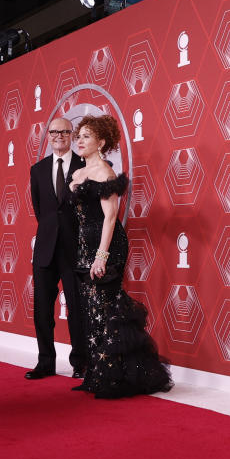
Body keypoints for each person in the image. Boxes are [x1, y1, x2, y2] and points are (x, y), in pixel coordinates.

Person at [67, 115, 171, 398]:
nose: (80, 140)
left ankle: (116, 377)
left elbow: (111, 217)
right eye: (79, 135)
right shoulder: (77, 174)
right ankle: (95, 374)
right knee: (90, 311)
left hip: (107, 245)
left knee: (105, 307)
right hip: (84, 245)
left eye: (87, 136)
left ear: (101, 142)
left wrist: (101, 256)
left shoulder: (105, 173)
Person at [25, 116, 88, 379]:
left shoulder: (85, 166)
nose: (58, 136)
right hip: (45, 249)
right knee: (42, 310)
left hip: (75, 249)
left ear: (71, 135)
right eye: (53, 132)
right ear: (48, 136)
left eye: (64, 131)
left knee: (77, 309)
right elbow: (41, 210)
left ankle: (80, 363)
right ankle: (45, 362)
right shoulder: (37, 170)